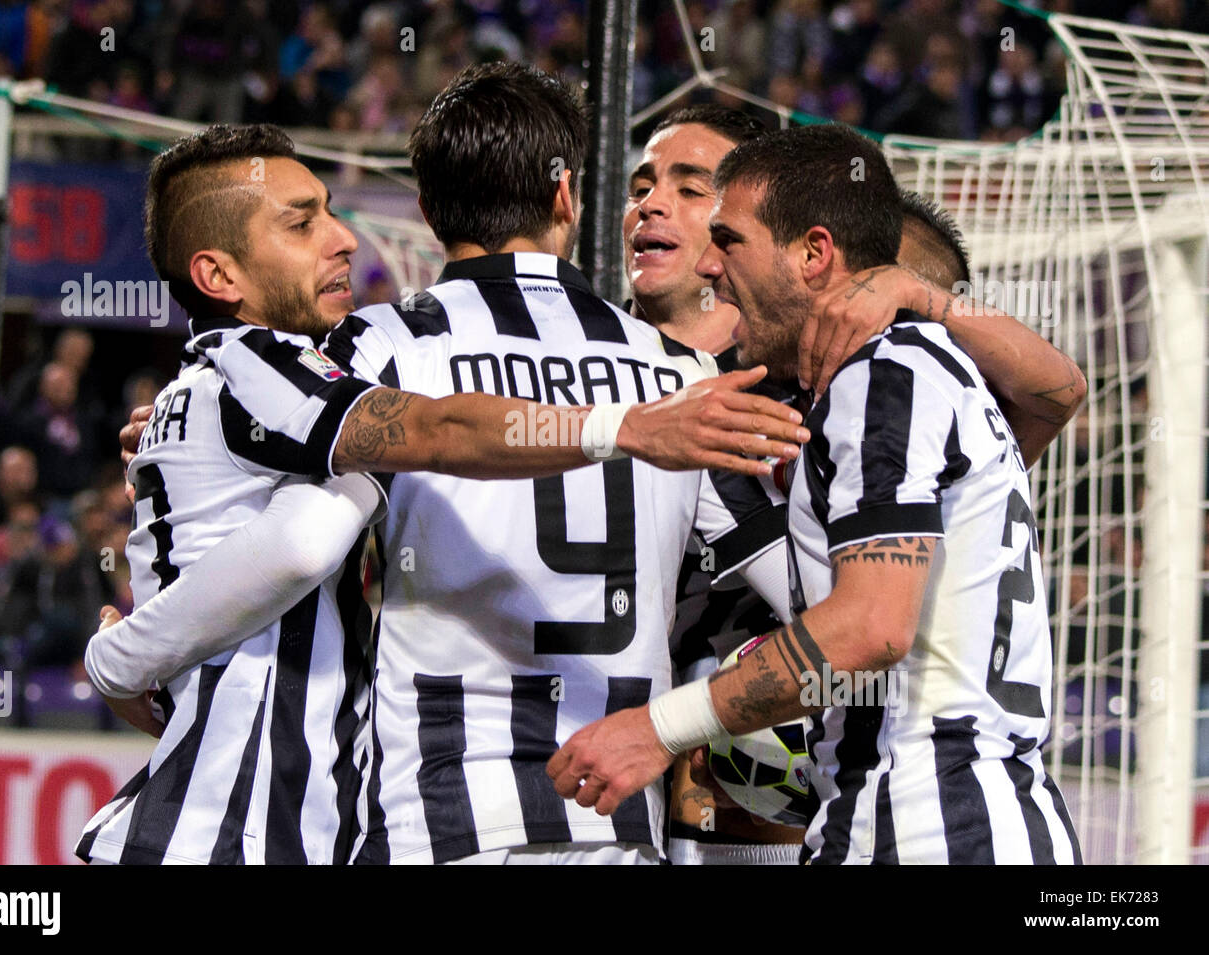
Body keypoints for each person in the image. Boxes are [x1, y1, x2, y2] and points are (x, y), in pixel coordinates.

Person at [75, 122, 805, 865]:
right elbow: (833, 617)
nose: (345, 238)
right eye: (643, 185)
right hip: (616, 819)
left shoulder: (373, 349)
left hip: (431, 820)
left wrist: (125, 654)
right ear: (568, 197)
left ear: (426, 210)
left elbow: (311, 525)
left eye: (691, 190)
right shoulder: (688, 388)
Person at [548, 123, 1082, 865]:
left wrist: (655, 729)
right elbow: (1062, 390)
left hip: (920, 824)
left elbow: (868, 628)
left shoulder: (884, 374)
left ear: (814, 253)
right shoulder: (942, 381)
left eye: (728, 239)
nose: (710, 264)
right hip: (985, 815)